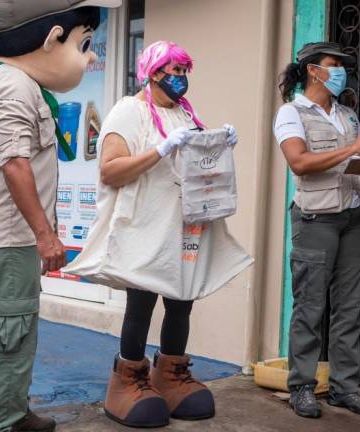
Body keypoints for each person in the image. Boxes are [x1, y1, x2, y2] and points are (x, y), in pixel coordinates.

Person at [0, 1, 122, 431]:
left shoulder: (17, 82)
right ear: (52, 37)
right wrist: (45, 235)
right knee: (9, 333)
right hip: (8, 237)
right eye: (85, 43)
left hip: (12, 237)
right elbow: (15, 164)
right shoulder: (15, 86)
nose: (91, 56)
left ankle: (13, 413)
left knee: (16, 330)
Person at [63, 41, 250, 428]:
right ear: (152, 74)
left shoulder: (186, 114)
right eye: (173, 71)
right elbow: (111, 170)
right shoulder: (129, 112)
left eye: (184, 71)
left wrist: (219, 144)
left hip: (183, 225)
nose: (180, 79)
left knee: (182, 299)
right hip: (143, 225)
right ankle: (128, 377)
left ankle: (170, 374)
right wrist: (160, 150)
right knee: (142, 299)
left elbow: (199, 166)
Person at [275, 41, 360, 419]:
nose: (340, 70)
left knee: (348, 306)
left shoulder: (348, 115)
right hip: (316, 220)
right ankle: (302, 387)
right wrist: (354, 148)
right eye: (333, 64)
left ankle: (345, 388)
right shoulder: (292, 113)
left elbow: (359, 165)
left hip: (354, 216)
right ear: (313, 69)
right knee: (309, 307)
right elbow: (300, 162)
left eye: (342, 65)